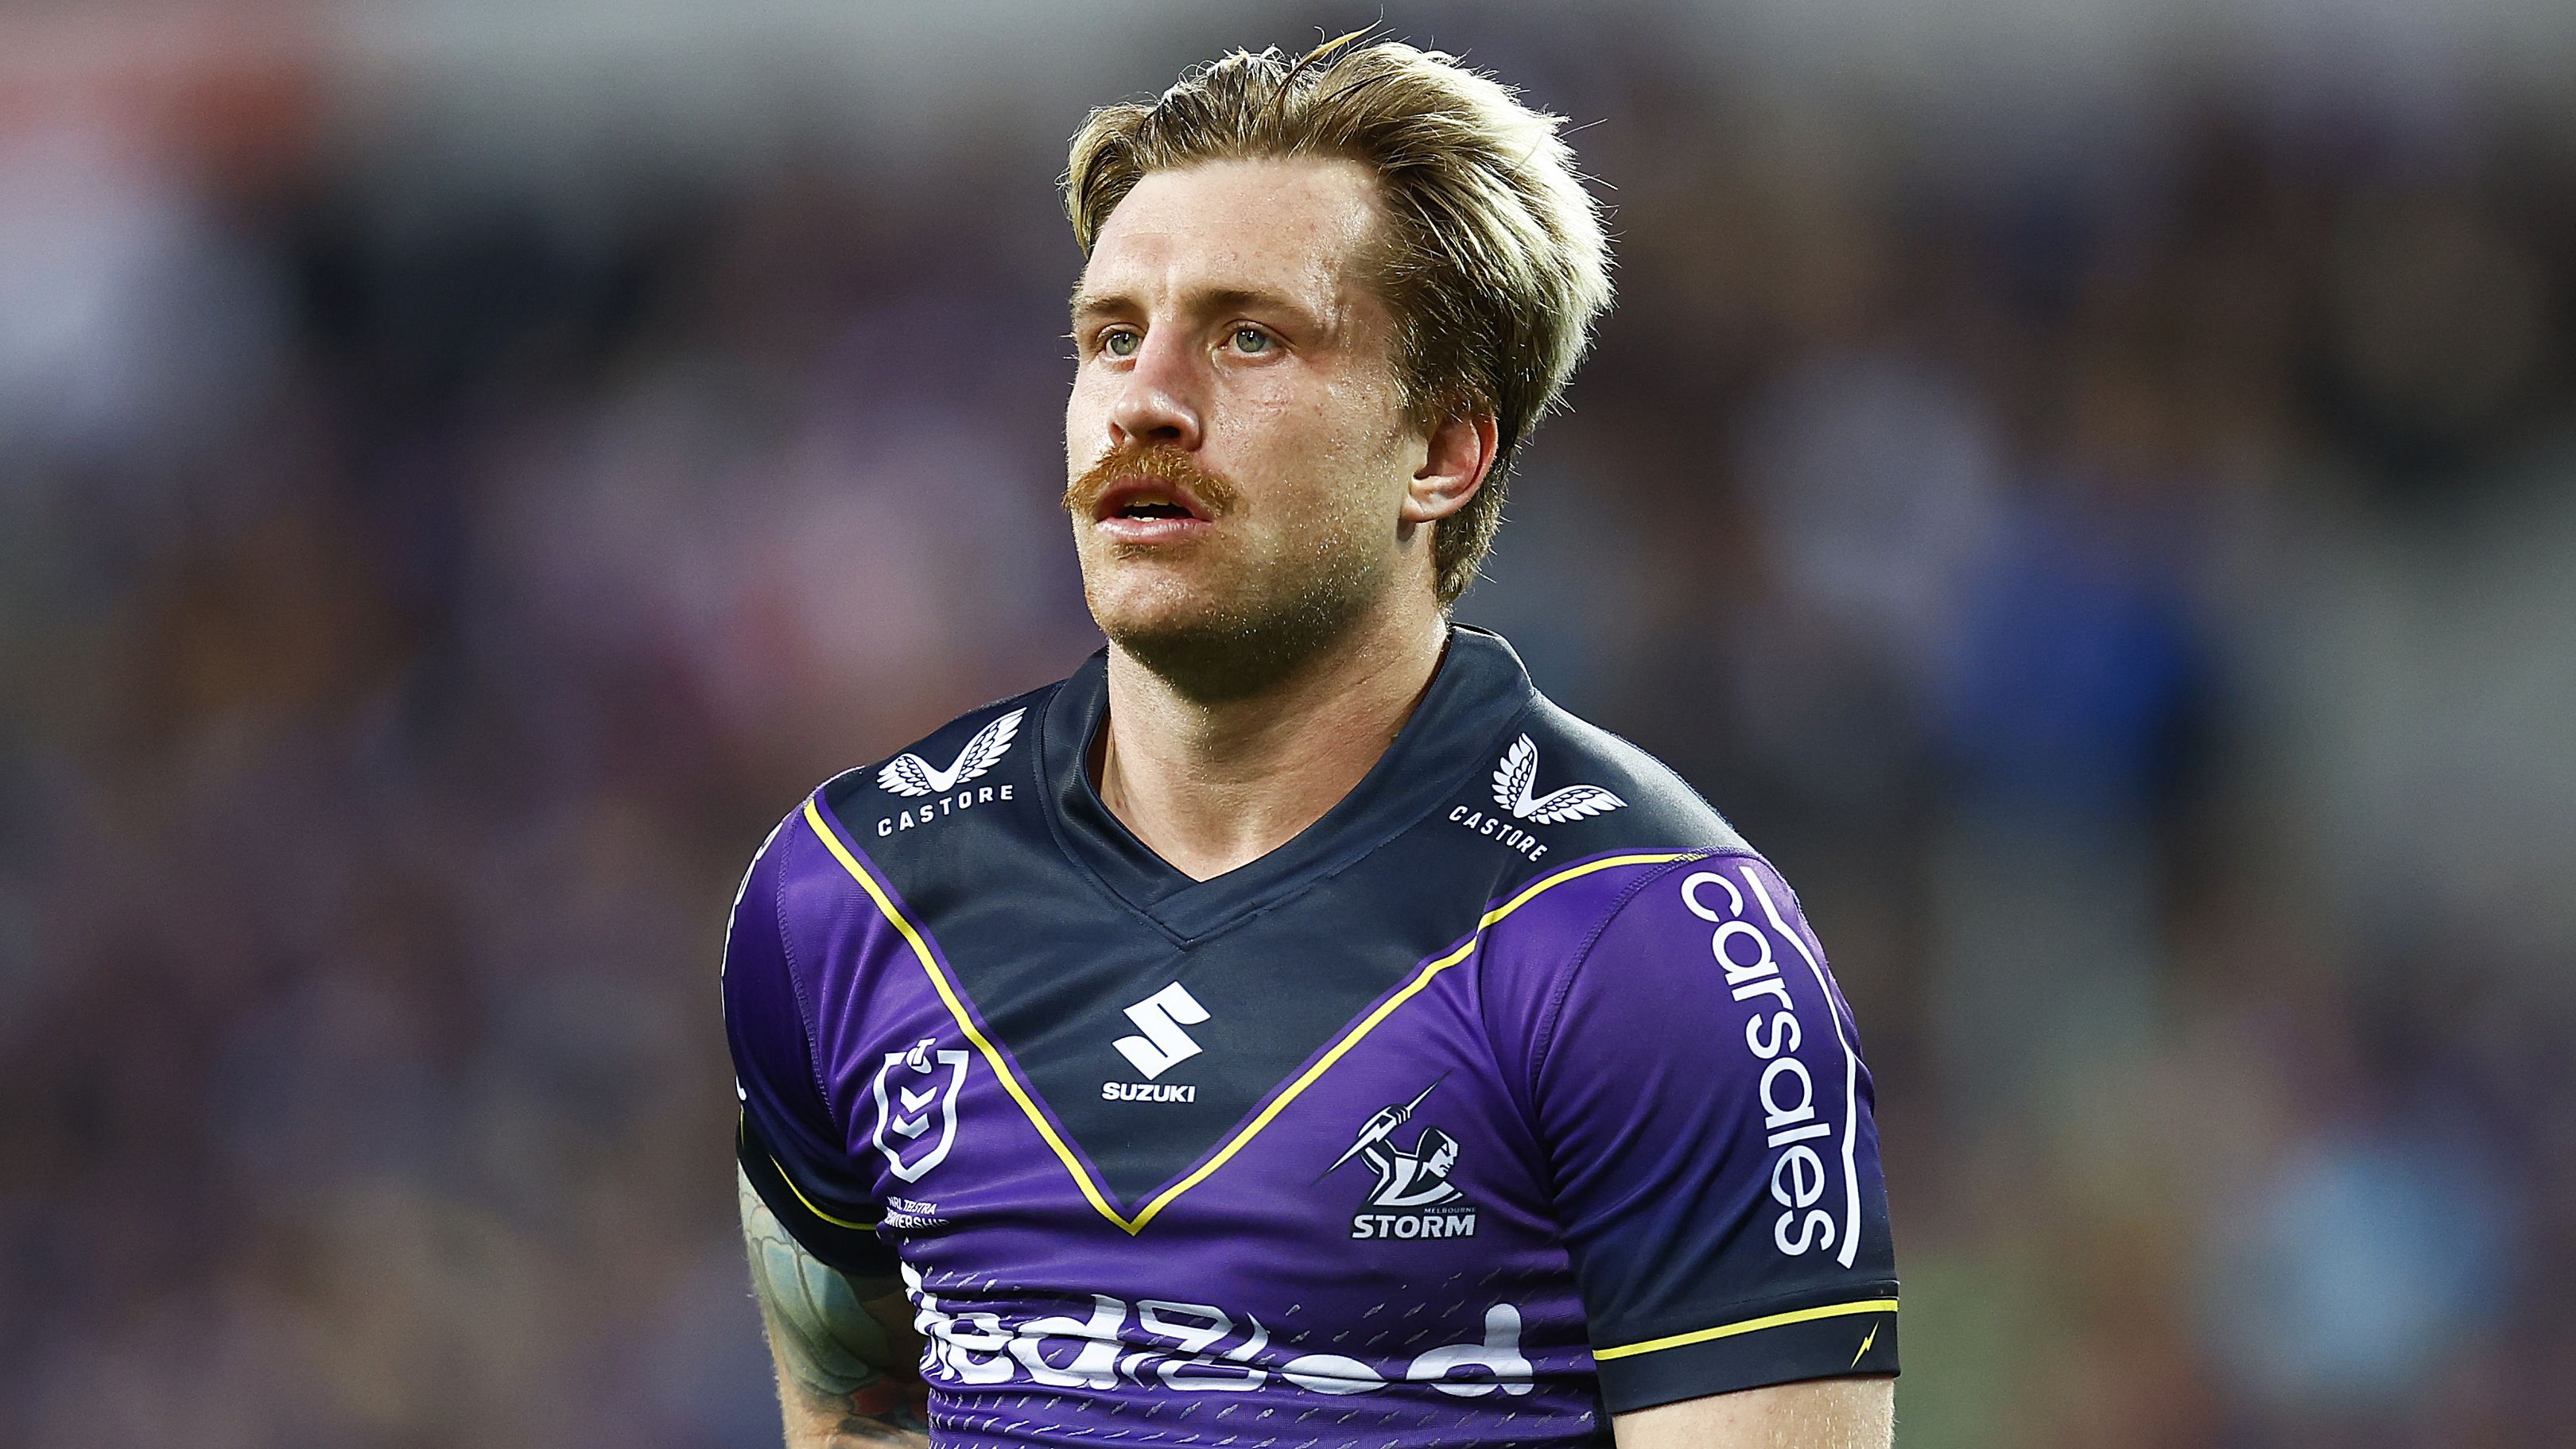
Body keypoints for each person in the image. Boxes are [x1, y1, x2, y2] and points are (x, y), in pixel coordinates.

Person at [723, 36, 1898, 1448]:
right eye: (1112, 335)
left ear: (1443, 453)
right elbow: (858, 1413)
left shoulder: (1645, 938)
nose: (1145, 400)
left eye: (1250, 336)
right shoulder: (849, 891)